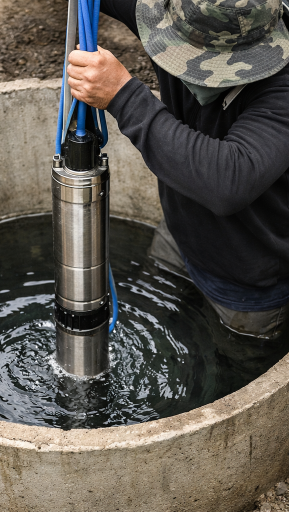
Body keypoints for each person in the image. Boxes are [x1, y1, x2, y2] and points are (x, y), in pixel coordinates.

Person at [65, 0, 289, 338]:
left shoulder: (283, 84)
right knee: (155, 328)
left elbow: (228, 182)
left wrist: (123, 96)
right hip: (178, 236)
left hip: (250, 282)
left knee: (235, 366)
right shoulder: (174, 15)